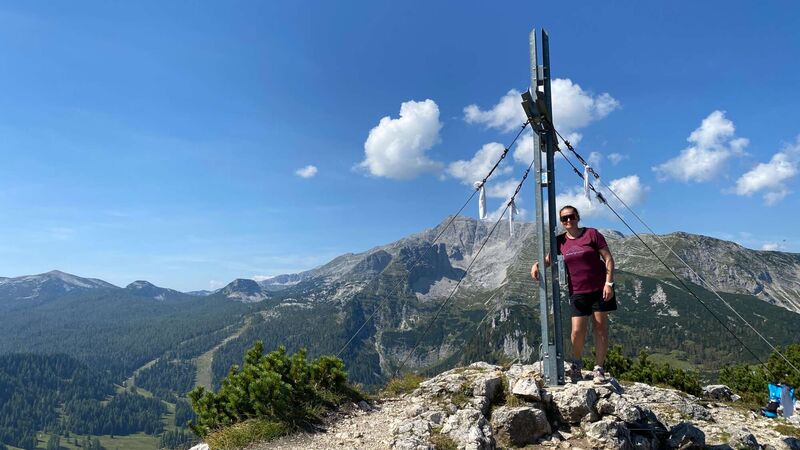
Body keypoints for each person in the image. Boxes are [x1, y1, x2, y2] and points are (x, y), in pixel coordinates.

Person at [531, 205, 616, 384]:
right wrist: (536, 265)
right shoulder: (560, 241)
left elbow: (608, 258)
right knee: (577, 331)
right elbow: (548, 259)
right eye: (564, 218)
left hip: (599, 289)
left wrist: (609, 283)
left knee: (600, 329)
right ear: (561, 222)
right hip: (577, 291)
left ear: (578, 217)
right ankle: (576, 365)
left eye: (571, 217)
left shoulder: (592, 234)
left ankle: (599, 369)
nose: (568, 221)